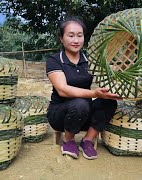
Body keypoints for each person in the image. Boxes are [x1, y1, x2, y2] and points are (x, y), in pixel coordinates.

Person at [46, 16, 122, 160]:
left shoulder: (89, 60)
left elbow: (108, 75)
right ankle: (68, 140)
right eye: (71, 35)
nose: (76, 40)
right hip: (59, 115)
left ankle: (87, 140)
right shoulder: (55, 60)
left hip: (83, 113)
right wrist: (94, 93)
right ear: (61, 38)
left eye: (79, 35)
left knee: (109, 102)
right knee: (80, 103)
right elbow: (62, 90)